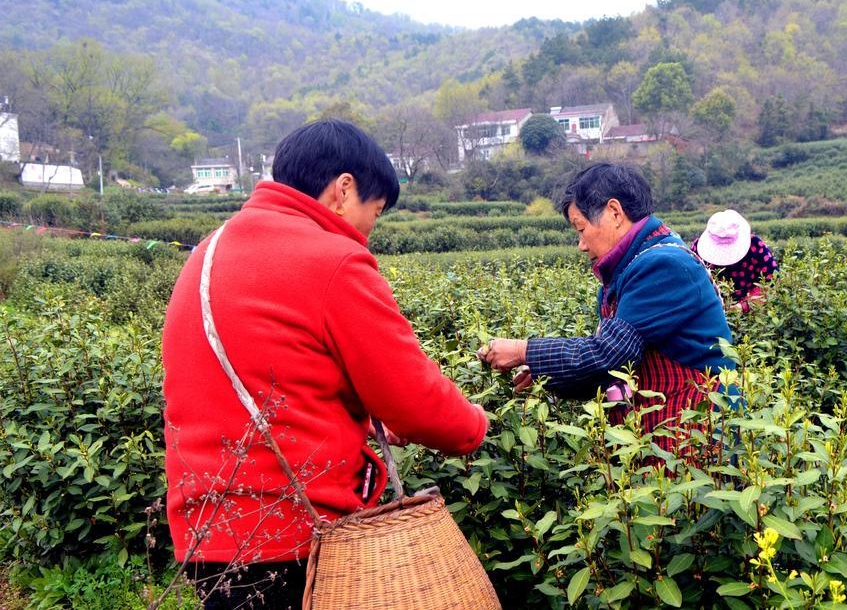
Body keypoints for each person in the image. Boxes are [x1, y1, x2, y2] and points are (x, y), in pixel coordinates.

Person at [161, 119, 488, 609]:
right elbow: (417, 401)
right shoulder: (332, 259)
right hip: (296, 538)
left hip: (209, 535)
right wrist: (475, 424)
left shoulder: (208, 252)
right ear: (344, 189)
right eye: (374, 212)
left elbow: (272, 371)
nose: (370, 231)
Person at [478, 162, 737, 455]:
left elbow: (611, 354)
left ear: (615, 212)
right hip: (664, 429)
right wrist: (543, 372)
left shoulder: (663, 264)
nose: (581, 245)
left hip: (698, 428)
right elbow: (613, 371)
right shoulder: (628, 268)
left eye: (581, 228)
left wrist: (524, 350)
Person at [691, 209, 778, 312]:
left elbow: (772, 281)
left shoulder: (755, 246)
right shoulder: (698, 249)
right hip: (712, 309)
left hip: (753, 310)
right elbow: (693, 285)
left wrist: (743, 306)